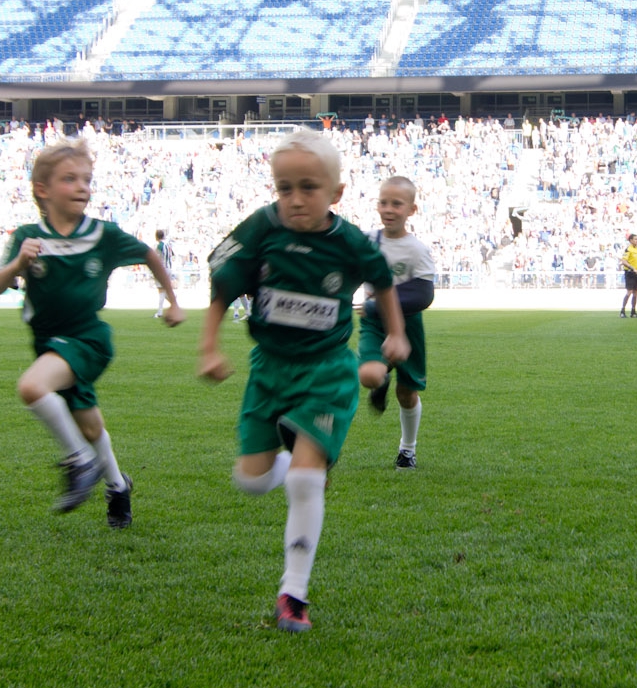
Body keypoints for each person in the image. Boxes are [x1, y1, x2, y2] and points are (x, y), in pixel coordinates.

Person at [197, 130, 410, 634]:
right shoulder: (259, 230)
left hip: (326, 370)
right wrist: (209, 346)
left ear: (336, 192)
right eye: (284, 187)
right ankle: (298, 453)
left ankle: (294, 593)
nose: (295, 198)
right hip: (269, 368)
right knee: (250, 480)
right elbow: (222, 286)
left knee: (304, 481)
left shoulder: (352, 241)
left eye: (308, 188)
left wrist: (396, 334)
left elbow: (381, 281)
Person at [0, 141, 185, 526]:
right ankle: (118, 486)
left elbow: (150, 255)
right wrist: (18, 263)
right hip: (48, 344)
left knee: (31, 388)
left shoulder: (102, 234)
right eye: (70, 179)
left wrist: (173, 301)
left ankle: (78, 461)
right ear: (42, 190)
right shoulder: (29, 237)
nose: (82, 187)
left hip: (89, 339)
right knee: (91, 426)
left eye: (87, 180)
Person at [359, 176, 437, 470]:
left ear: (412, 210)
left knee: (407, 393)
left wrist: (375, 303)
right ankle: (381, 380)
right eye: (383, 202)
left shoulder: (416, 249)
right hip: (374, 323)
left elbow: (423, 294)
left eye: (396, 204)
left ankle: (407, 450)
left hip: (408, 326)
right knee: (369, 375)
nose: (388, 209)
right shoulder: (367, 241)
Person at [618, 233, 637, 318]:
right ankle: (622, 310)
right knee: (629, 292)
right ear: (631, 240)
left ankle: (633, 311)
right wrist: (633, 268)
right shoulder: (628, 249)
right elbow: (624, 261)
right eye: (635, 239)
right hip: (630, 273)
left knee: (635, 293)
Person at [153, 228, 173, 319]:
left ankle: (160, 312)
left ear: (156, 236)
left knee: (161, 290)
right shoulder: (168, 245)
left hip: (162, 269)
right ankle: (174, 303)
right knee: (164, 290)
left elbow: (157, 259)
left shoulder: (160, 246)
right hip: (169, 268)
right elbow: (171, 255)